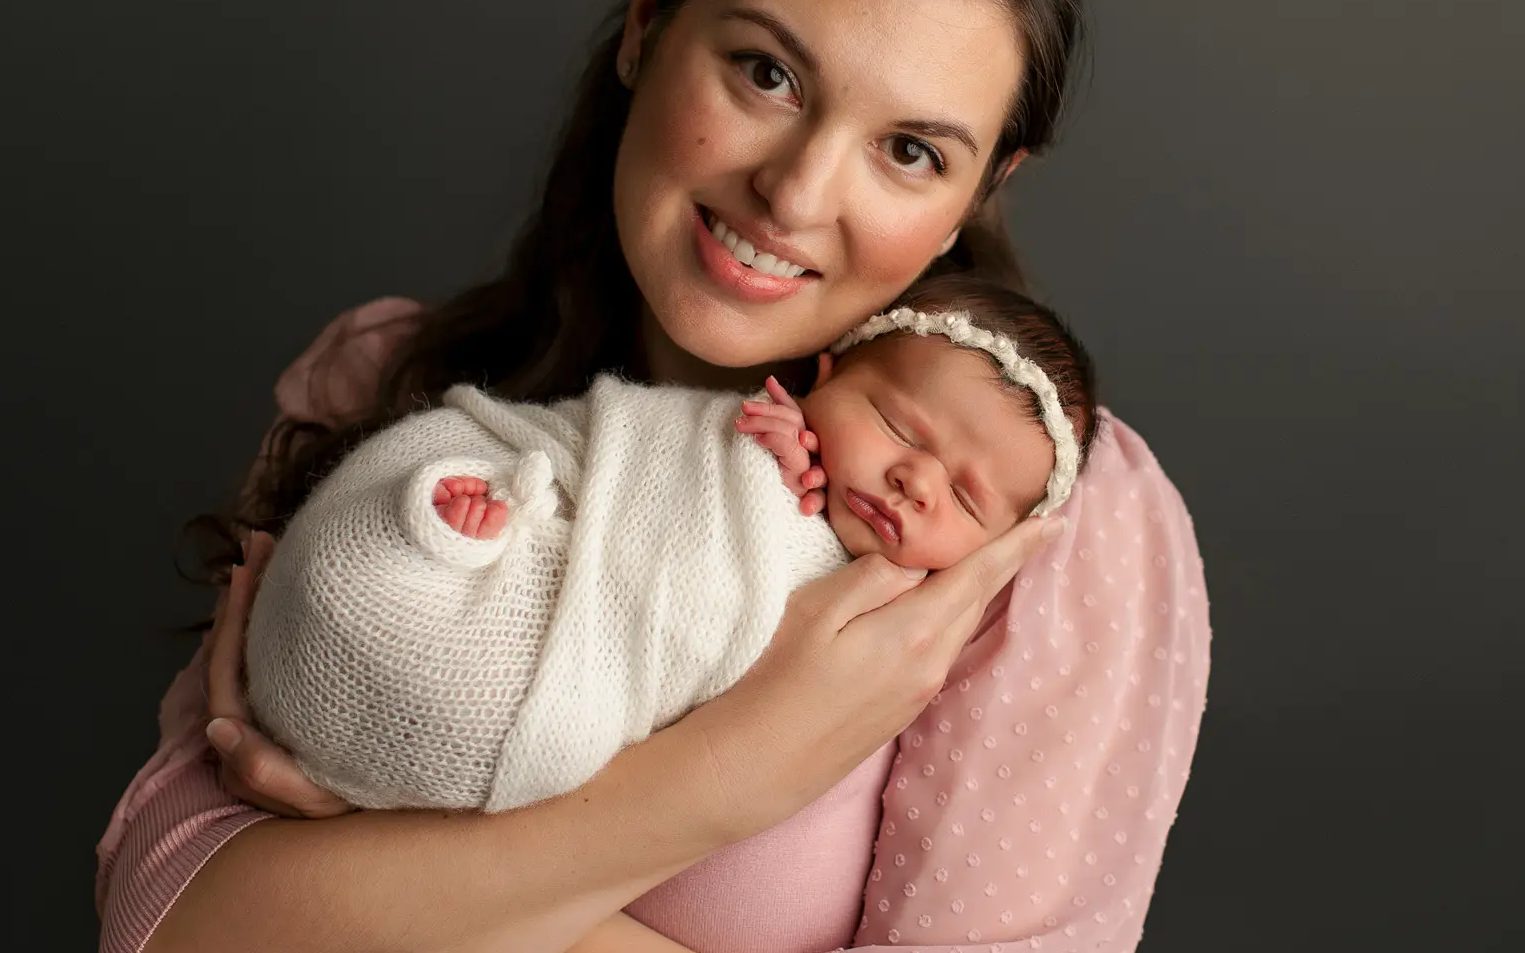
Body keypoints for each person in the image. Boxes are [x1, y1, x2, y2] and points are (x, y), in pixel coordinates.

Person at [95, 0, 1212, 953]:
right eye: (767, 72)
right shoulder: (393, 393)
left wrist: (410, 824)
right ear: (648, 14)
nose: (798, 193)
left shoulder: (1027, 520)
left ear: (975, 194)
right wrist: (714, 785)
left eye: (911, 149)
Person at [245, 275, 1097, 815]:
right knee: (422, 523)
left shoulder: (915, 639)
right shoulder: (755, 441)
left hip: (562, 678)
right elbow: (655, 473)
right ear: (824, 379)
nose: (916, 479)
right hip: (543, 523)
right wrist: (752, 460)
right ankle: (447, 530)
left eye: (964, 497)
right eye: (895, 425)